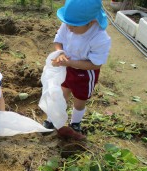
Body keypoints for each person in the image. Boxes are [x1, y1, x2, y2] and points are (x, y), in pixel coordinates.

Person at [43, 0, 111, 140]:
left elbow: (95, 64)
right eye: (67, 23)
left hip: (85, 73)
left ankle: (75, 122)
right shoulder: (70, 23)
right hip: (66, 68)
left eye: (74, 25)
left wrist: (70, 62)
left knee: (80, 100)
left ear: (91, 22)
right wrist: (60, 52)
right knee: (61, 94)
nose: (69, 27)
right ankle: (53, 118)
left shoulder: (100, 38)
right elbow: (58, 40)